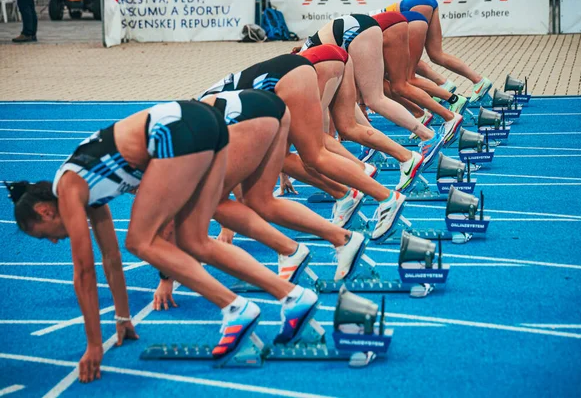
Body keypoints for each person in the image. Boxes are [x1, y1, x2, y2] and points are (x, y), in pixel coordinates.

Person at [5, 100, 319, 383]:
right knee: (195, 241)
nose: (54, 242)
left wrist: (94, 346)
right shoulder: (88, 188)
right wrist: (122, 318)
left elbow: (84, 272)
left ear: (45, 212)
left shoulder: (69, 188)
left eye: (45, 236)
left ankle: (235, 308)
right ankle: (292, 296)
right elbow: (110, 260)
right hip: (208, 125)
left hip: (178, 130)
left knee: (140, 241)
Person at [153, 90, 367, 309]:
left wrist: (166, 279)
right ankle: (339, 238)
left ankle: (294, 249)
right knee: (258, 201)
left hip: (248, 117)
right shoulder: (163, 142)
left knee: (223, 202)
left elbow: (170, 216)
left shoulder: (163, 156)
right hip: (267, 108)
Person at [200, 54, 407, 241]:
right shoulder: (198, 119)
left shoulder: (201, 127)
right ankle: (345, 194)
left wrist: (228, 226)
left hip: (287, 76)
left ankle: (387, 197)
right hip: (285, 77)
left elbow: (232, 172)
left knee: (315, 154)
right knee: (287, 158)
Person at [296, 44, 444, 193]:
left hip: (322, 61)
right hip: (339, 55)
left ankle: (360, 170)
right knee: (348, 128)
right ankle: (407, 157)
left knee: (314, 137)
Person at [298, 14, 443, 141]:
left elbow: (321, 113)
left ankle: (428, 135)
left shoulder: (305, 73)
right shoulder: (303, 65)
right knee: (373, 98)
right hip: (356, 28)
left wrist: (325, 142)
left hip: (353, 31)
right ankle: (373, 143)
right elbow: (344, 105)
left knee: (376, 99)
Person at [371, 11, 466, 144]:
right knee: (389, 83)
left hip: (398, 24)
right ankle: (422, 112)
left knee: (403, 83)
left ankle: (451, 108)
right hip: (401, 21)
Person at [370, 0, 493, 103]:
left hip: (412, 6)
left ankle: (446, 91)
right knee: (436, 54)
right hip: (424, 2)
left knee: (407, 71)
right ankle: (477, 80)